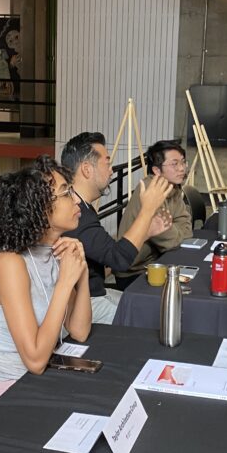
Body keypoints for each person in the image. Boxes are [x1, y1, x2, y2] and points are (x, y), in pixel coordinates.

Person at [0, 156, 91, 438]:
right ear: (39, 209)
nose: (77, 200)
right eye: (65, 193)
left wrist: (80, 273)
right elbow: (35, 360)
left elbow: (80, 330)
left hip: (28, 391)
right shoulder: (9, 264)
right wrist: (64, 284)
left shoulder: (53, 253)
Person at [61, 132, 173, 324]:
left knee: (146, 305)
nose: (112, 170)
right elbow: (118, 259)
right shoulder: (74, 213)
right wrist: (147, 210)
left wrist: (146, 231)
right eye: (107, 162)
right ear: (87, 169)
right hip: (84, 302)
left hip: (96, 292)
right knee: (150, 319)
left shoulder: (84, 208)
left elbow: (107, 257)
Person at [113, 139, 193, 285]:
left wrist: (176, 231)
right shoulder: (151, 193)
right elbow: (170, 242)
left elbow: (187, 229)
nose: (182, 168)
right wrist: (177, 232)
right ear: (156, 170)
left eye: (183, 162)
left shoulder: (172, 187)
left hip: (156, 263)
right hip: (134, 272)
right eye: (174, 164)